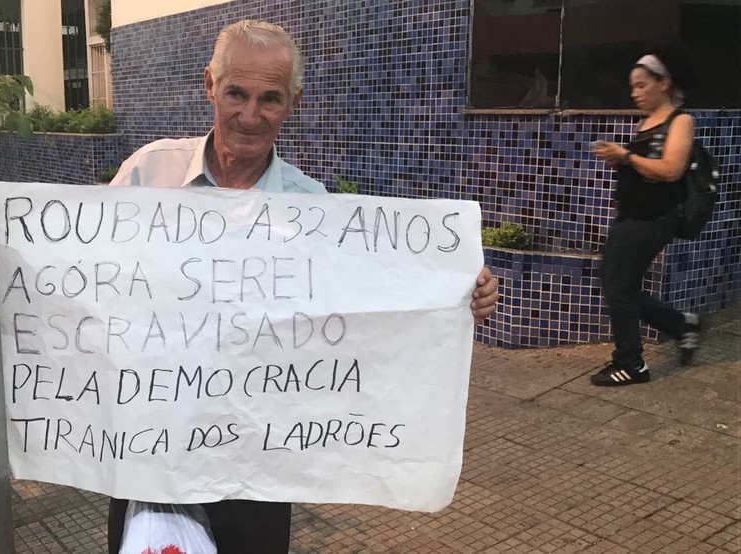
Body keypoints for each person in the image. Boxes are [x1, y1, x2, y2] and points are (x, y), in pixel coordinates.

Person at [106, 19, 500, 553]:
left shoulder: (314, 210)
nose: (249, 115)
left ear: (293, 102)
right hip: (152, 450)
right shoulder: (146, 175)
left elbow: (372, 309)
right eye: (236, 93)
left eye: (269, 98)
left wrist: (455, 296)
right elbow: (85, 278)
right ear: (210, 86)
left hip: (259, 461)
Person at [589, 45, 700, 387]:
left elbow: (671, 169)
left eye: (641, 85)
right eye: (632, 86)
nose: (635, 92)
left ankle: (632, 363)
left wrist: (626, 157)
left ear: (663, 82)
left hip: (654, 218)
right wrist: (622, 161)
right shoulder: (646, 123)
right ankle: (681, 325)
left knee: (618, 288)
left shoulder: (680, 121)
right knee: (614, 283)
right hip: (632, 214)